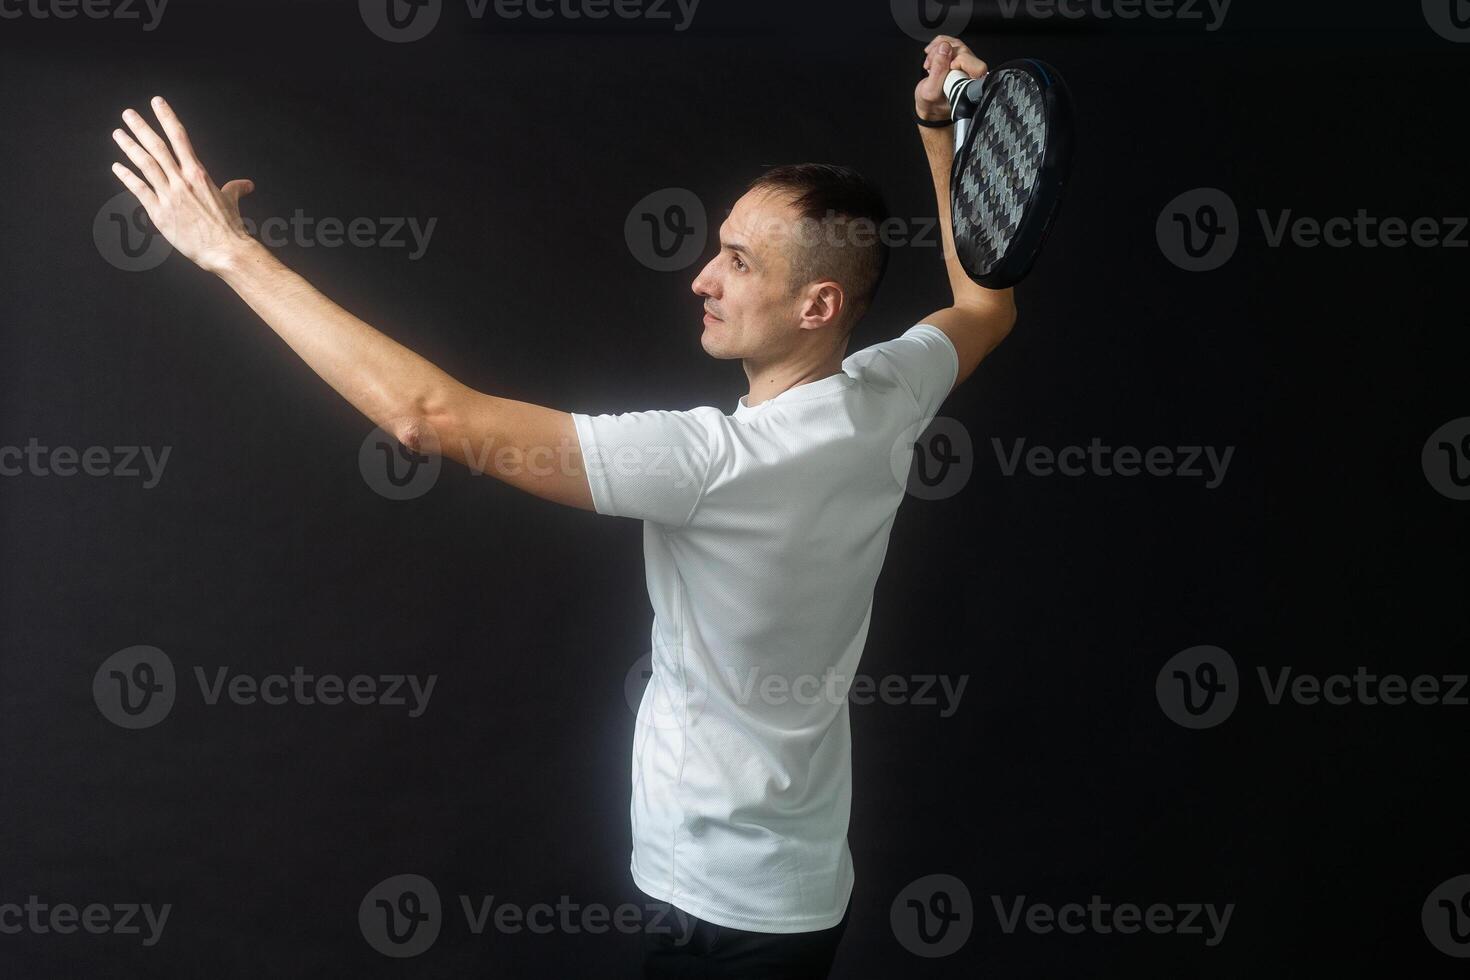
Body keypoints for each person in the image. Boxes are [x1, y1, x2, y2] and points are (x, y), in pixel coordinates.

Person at [107, 35, 1011, 980]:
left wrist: (228, 253)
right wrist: (941, 132)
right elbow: (987, 305)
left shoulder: (712, 462)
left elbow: (427, 417)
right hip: (800, 889)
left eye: (739, 263)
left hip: (716, 905)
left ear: (818, 305)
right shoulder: (888, 394)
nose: (702, 277)